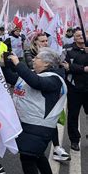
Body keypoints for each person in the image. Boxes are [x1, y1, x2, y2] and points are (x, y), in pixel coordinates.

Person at [6, 48, 67, 174]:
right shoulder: (35, 73)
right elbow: (14, 79)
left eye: (37, 58)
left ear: (47, 63)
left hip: (39, 126)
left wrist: (19, 64)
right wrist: (4, 66)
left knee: (27, 157)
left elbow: (36, 82)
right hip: (28, 123)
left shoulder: (54, 78)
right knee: (36, 155)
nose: (34, 60)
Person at [24, 31, 69, 161]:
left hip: (45, 92)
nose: (45, 43)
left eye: (46, 41)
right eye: (42, 41)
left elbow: (57, 69)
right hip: (32, 96)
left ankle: (56, 148)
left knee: (50, 119)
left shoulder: (49, 54)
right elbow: (30, 72)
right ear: (35, 43)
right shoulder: (29, 54)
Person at [63, 29, 88, 151]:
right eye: (77, 35)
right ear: (74, 37)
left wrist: (73, 67)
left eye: (82, 35)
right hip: (74, 89)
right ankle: (74, 140)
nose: (81, 37)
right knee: (73, 115)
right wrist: (83, 69)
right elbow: (65, 66)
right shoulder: (68, 49)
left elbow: (71, 67)